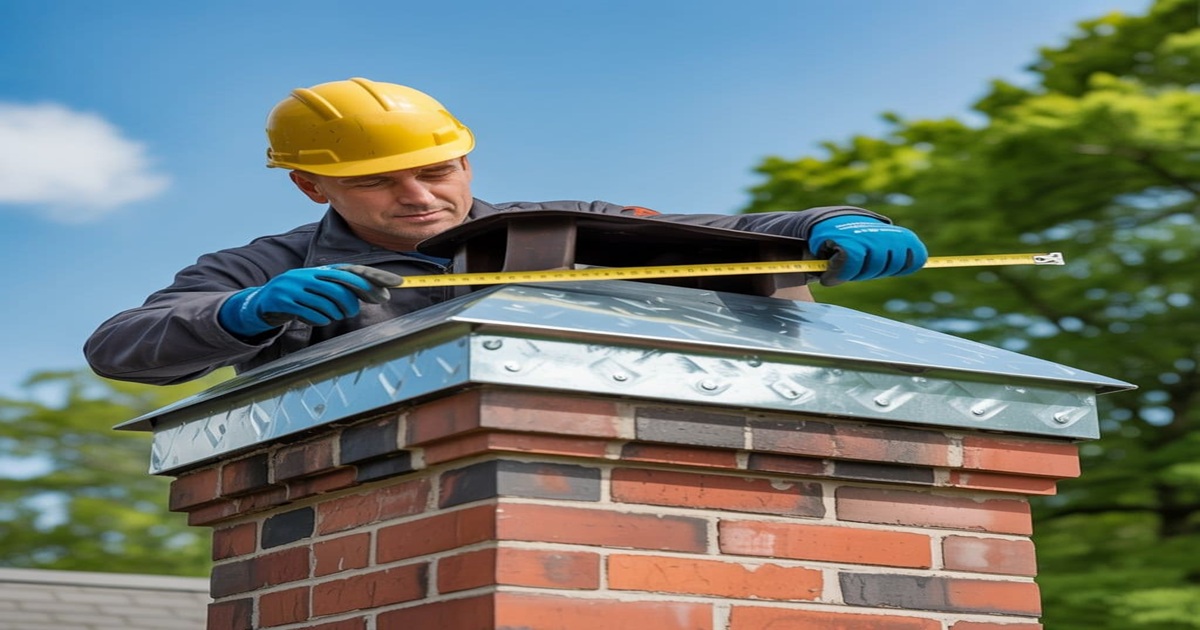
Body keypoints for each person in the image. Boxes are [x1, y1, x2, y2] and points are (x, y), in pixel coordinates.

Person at [84, 77, 927, 386]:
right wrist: (235, 315)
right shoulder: (261, 267)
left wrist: (830, 222)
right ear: (311, 184)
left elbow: (724, 229)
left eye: (437, 170)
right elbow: (119, 345)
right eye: (378, 181)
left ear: (467, 161)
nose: (417, 196)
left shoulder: (557, 230)